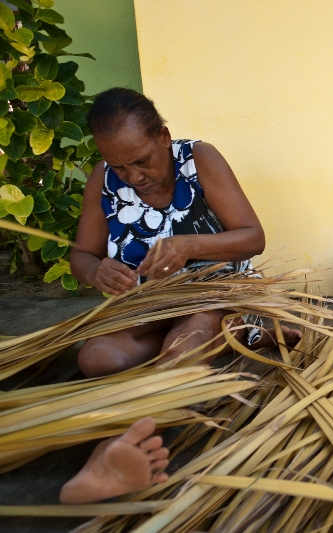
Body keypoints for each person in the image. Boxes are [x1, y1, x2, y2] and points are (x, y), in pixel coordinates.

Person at [71, 88, 301, 377]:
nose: (133, 177)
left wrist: (189, 246)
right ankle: (236, 340)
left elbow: (254, 238)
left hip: (215, 300)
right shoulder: (102, 178)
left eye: (142, 161)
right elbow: (83, 254)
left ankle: (233, 335)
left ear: (164, 138)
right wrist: (95, 271)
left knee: (186, 345)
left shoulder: (198, 159)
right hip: (150, 306)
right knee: (97, 359)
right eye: (119, 167)